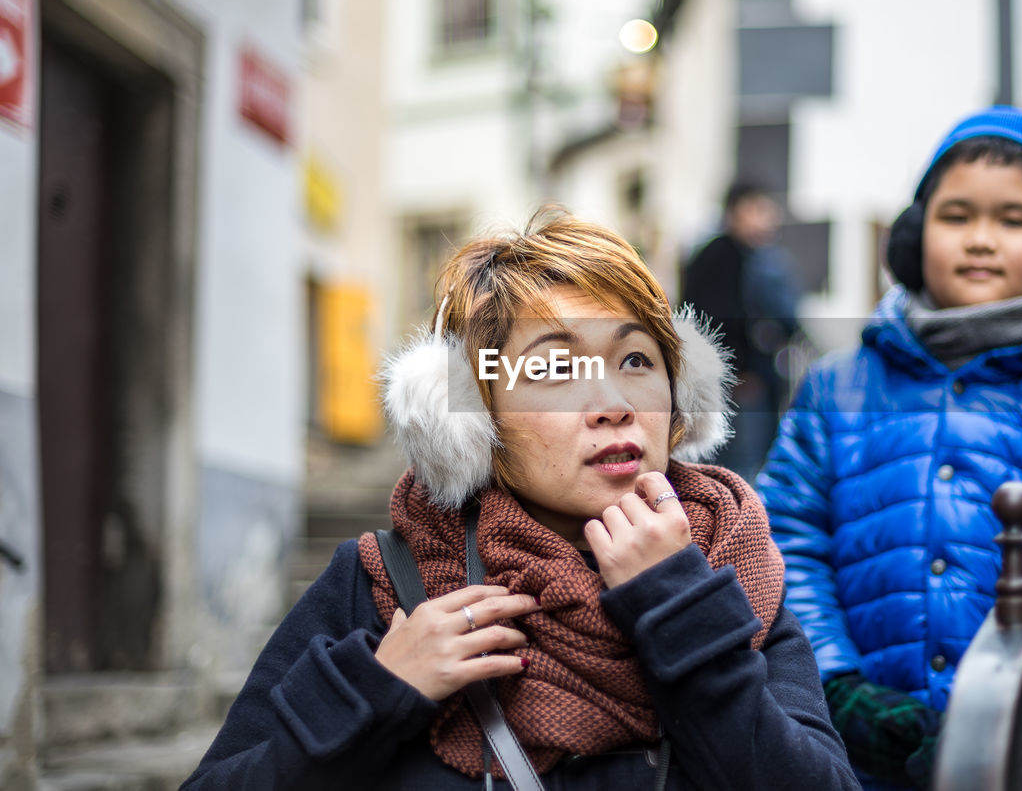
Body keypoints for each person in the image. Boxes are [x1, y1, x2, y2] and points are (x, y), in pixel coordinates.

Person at [183, 210, 860, 790]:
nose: (614, 405)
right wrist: (379, 691)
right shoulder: (385, 584)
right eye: (555, 368)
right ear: (475, 418)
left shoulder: (727, 565)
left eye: (636, 361)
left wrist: (679, 606)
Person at [754, 106, 1022, 790]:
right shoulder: (837, 386)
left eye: (1014, 219)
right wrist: (838, 684)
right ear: (916, 233)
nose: (981, 240)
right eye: (956, 215)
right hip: (858, 757)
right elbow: (785, 538)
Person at [683, 182, 802, 480]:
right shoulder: (720, 257)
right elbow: (709, 319)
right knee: (738, 467)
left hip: (752, 378)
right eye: (758, 210)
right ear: (736, 212)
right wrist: (738, 370)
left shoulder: (758, 258)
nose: (767, 220)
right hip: (738, 382)